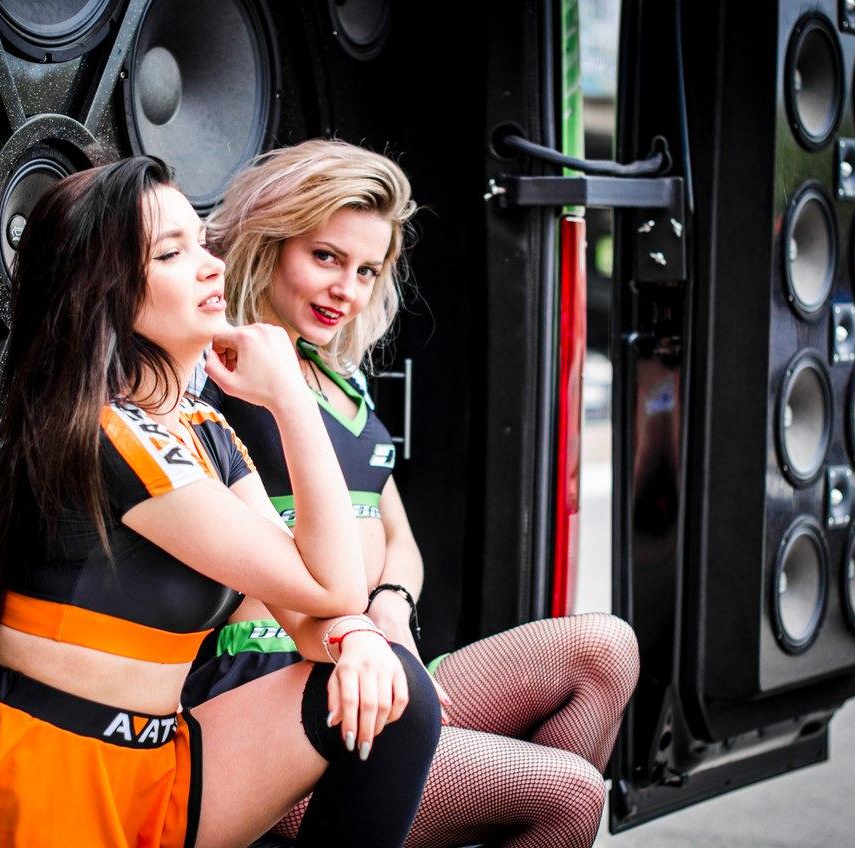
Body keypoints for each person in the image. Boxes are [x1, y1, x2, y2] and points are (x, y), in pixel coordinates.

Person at [0, 156, 440, 847]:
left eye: (202, 243)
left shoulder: (203, 428)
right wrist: (290, 397)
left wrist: (357, 638)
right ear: (108, 291)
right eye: (172, 253)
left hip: (159, 759)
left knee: (397, 694)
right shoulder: (113, 433)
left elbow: (309, 608)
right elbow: (335, 583)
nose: (211, 267)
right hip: (58, 767)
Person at [183, 139, 641, 848]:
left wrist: (391, 607)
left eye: (367, 270)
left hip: (378, 656)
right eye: (326, 257)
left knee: (606, 648)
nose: (347, 289)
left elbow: (397, 537)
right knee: (571, 794)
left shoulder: (343, 380)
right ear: (270, 244)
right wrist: (357, 631)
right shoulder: (215, 372)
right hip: (273, 683)